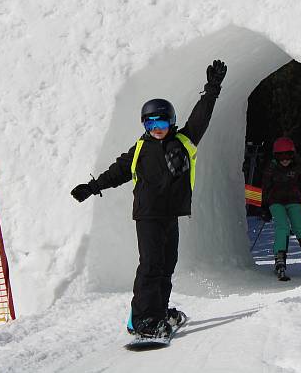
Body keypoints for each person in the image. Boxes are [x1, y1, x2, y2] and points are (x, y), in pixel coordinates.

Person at [71, 60, 227, 339]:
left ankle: (159, 311)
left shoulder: (184, 141)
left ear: (172, 121)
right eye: (151, 121)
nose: (157, 127)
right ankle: (142, 320)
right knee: (151, 265)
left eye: (162, 121)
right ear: (145, 124)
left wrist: (212, 89)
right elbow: (118, 171)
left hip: (170, 215)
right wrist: (92, 187)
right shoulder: (140, 148)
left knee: (167, 265)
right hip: (148, 216)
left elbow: (200, 118)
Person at [260, 137, 301, 279]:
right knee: (282, 227)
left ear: (292, 155)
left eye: (288, 156)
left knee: (300, 227)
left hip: (294, 201)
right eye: (281, 156)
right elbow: (266, 188)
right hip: (275, 202)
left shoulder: (298, 168)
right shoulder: (271, 168)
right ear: (276, 156)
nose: (285, 160)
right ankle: (280, 256)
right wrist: (264, 207)